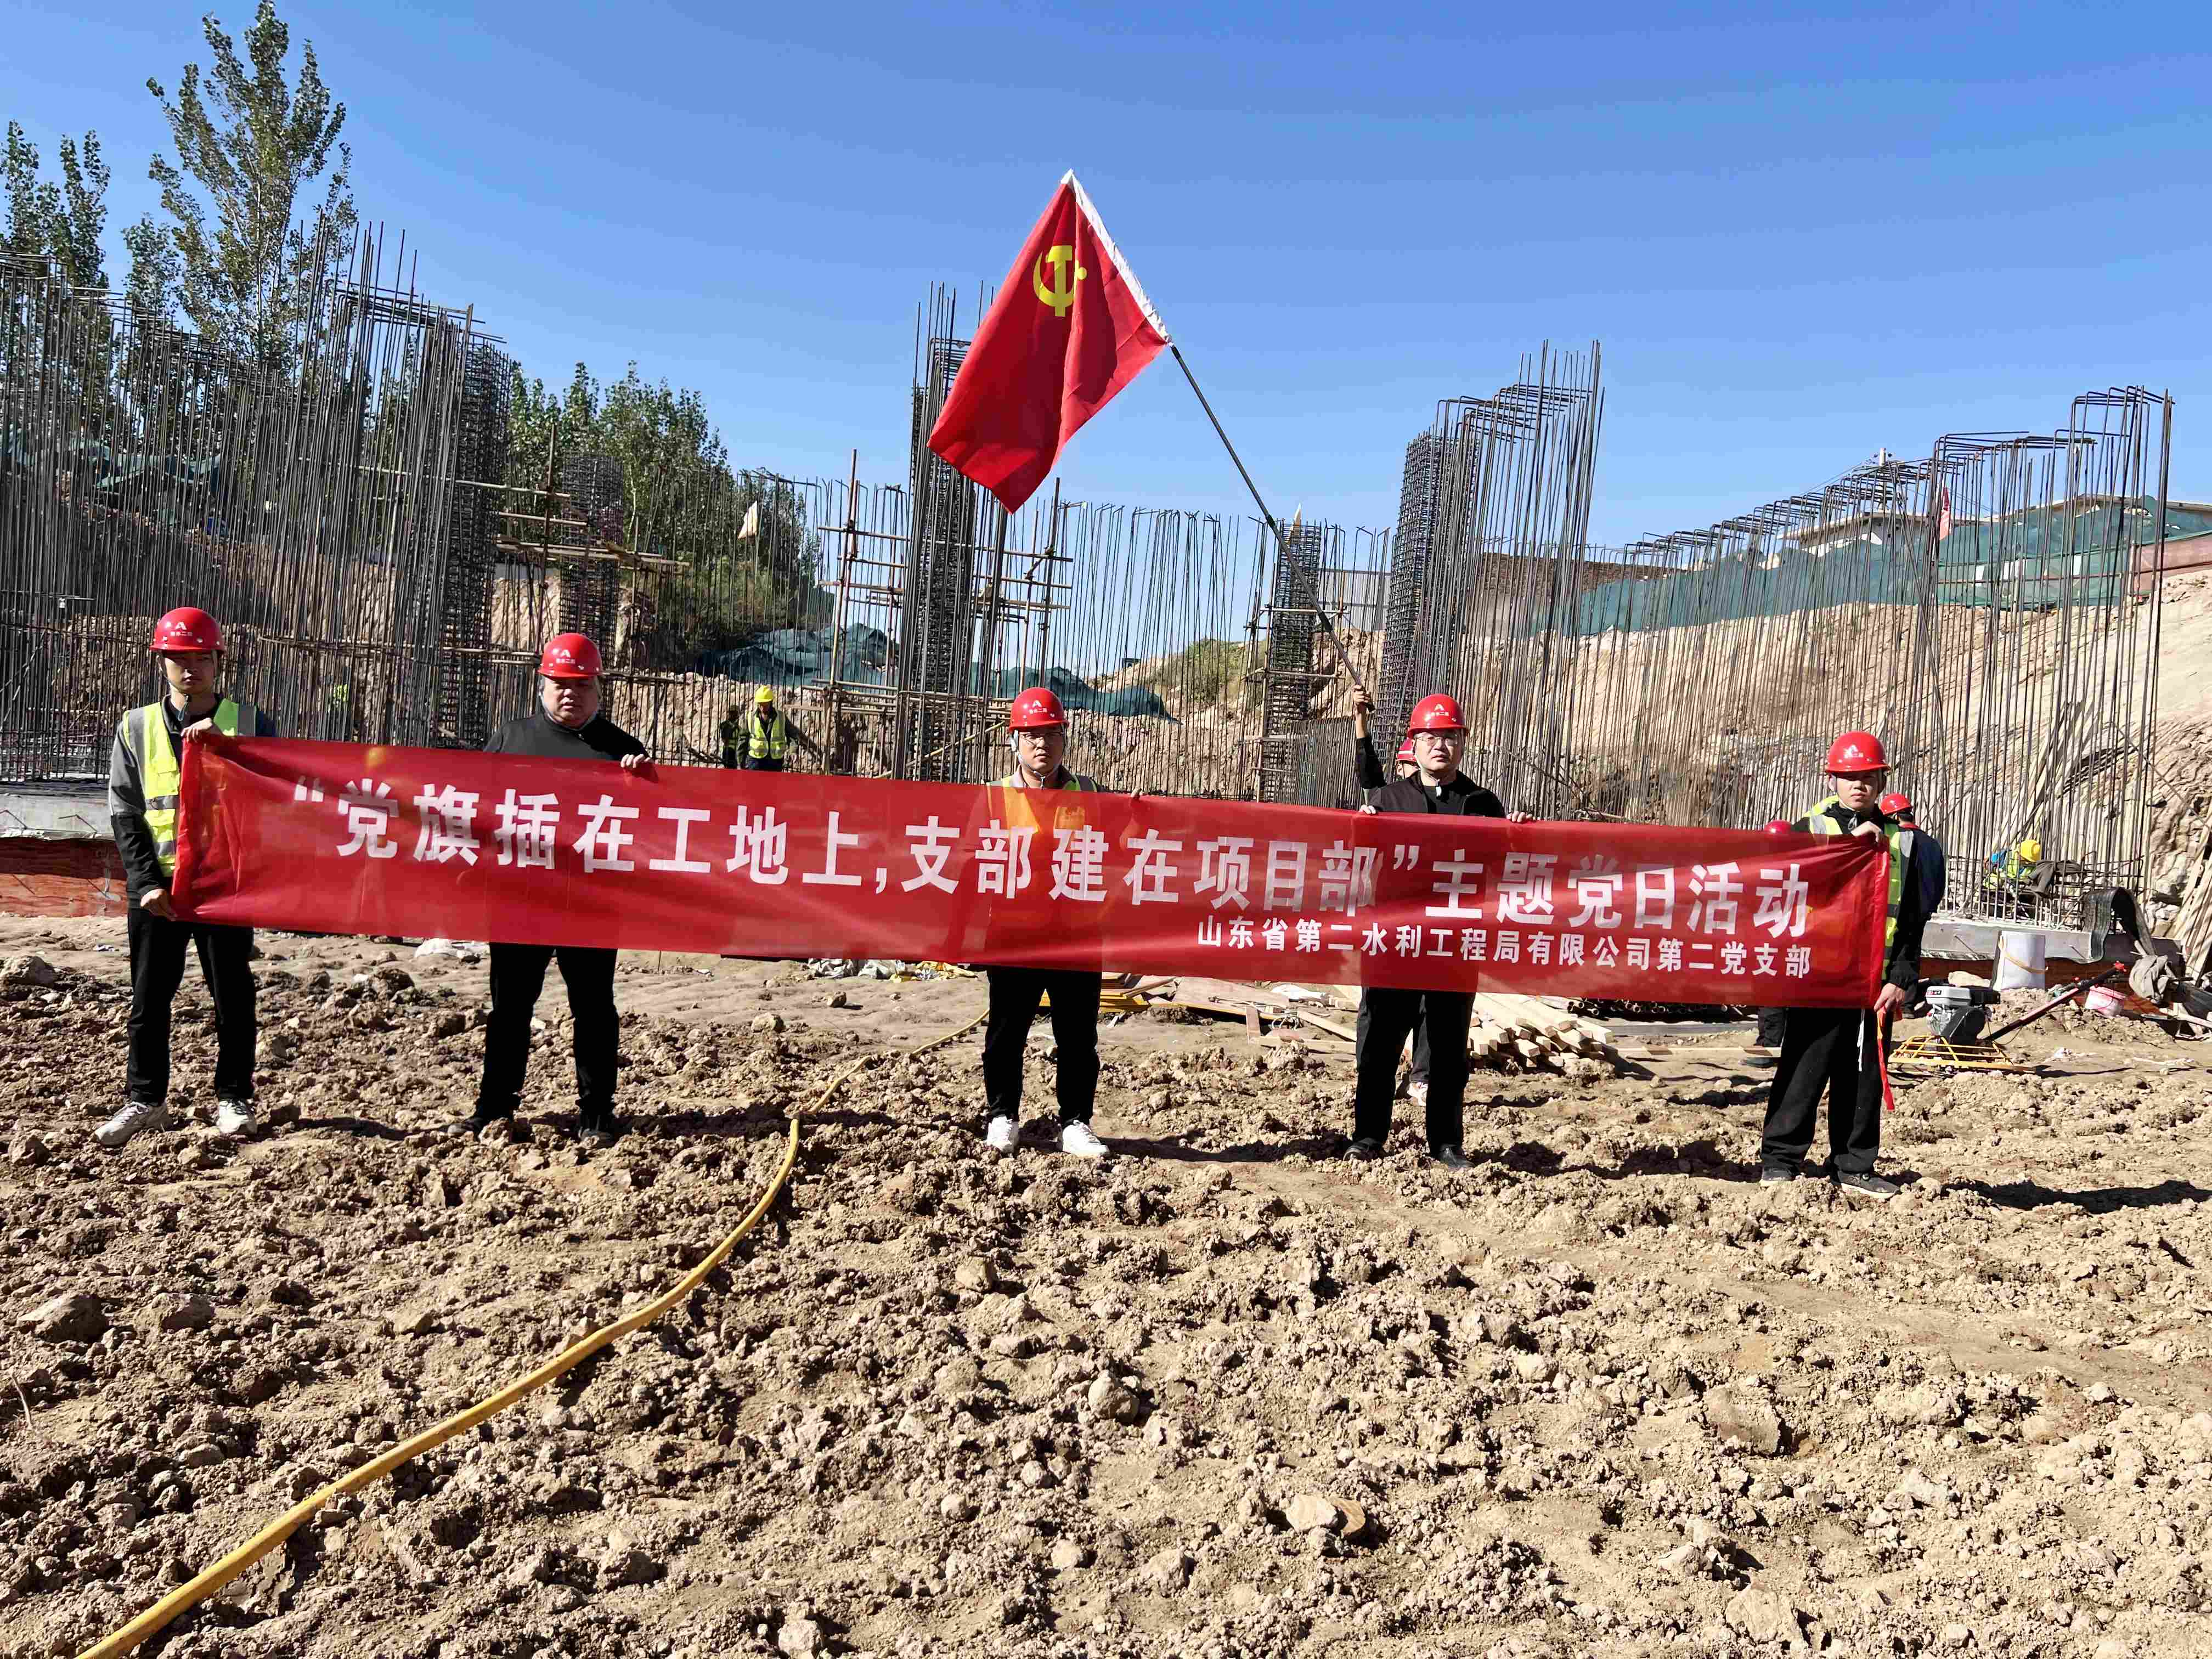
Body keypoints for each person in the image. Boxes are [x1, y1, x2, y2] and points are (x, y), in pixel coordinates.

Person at [98, 607, 277, 1149]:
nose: (190, 668)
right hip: (159, 891)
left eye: (200, 657)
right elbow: (125, 811)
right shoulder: (136, 728)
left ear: (218, 661)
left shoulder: (251, 725)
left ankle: (234, 1096)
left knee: (233, 996)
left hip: (225, 887)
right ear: (162, 663)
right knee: (149, 999)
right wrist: (145, 881)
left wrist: (227, 747)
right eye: (178, 658)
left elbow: (275, 798)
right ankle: (145, 1099)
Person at [459, 633, 647, 1148]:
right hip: (521, 901)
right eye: (561, 684)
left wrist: (645, 782)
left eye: (582, 685)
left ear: (599, 689)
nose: (571, 694)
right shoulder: (510, 739)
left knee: (594, 1008)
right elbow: (474, 810)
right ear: (541, 684)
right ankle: (494, 1108)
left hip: (590, 904)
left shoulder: (623, 751)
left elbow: (651, 831)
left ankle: (597, 1113)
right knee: (510, 1009)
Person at [1348, 693, 1530, 1170]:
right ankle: (1368, 1136)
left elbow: (1506, 867)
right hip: (1396, 945)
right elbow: (1354, 856)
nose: (1440, 746)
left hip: (1453, 947)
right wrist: (1362, 828)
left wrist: (1522, 835)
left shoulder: (1484, 805)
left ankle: (1447, 1144)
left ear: (1463, 744)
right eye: (1430, 737)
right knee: (1379, 1045)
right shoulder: (1388, 801)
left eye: (1450, 737)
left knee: (1448, 1052)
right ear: (1414, 743)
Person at [1760, 730, 1928, 1199]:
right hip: (1820, 974)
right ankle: (1781, 1159)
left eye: (1869, 777)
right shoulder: (1809, 829)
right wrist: (1847, 849)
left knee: (1864, 1074)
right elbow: (1784, 893)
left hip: (1874, 981)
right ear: (1831, 779)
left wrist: (1902, 977)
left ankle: (1854, 1164)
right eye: (1850, 777)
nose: (1860, 785)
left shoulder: (1903, 841)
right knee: (1804, 1066)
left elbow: (1911, 916)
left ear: (1882, 781)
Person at [980, 686, 1109, 1160]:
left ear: (1064, 739)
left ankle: (1075, 1122)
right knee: (1006, 1032)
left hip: (1076, 935)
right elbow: (971, 865)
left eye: (1052, 734)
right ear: (1014, 740)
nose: (1042, 745)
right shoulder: (993, 796)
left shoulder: (1090, 793)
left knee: (1078, 1036)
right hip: (1015, 935)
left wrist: (1138, 815)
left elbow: (1120, 848)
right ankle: (1002, 1116)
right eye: (1032, 735)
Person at [1351, 694, 1426, 1094]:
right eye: (1409, 765)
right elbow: (1368, 771)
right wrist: (1361, 721)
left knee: (1427, 1003)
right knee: (1376, 1001)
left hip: (1429, 919)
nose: (1415, 773)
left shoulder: (1446, 809)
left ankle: (1422, 1077)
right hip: (1388, 918)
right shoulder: (1387, 802)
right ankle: (1369, 1069)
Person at [1751, 819, 1795, 1054]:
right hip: (1774, 938)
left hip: (1781, 940)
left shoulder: (1783, 869)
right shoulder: (1768, 867)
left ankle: (1769, 1046)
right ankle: (1771, 1043)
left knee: (1773, 997)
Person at [1881, 791, 1949, 920]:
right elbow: (1940, 881)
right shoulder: (1932, 843)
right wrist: (1930, 907)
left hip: (1895, 913)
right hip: (1922, 914)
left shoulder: (1893, 840)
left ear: (1895, 817)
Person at [724, 685, 822, 772]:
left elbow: (792, 736)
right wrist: (741, 762)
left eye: (765, 705)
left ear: (771, 702)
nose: (762, 708)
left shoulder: (781, 717)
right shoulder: (751, 718)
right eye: (760, 704)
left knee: (774, 786)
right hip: (755, 761)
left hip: (775, 762)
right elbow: (743, 740)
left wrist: (793, 751)